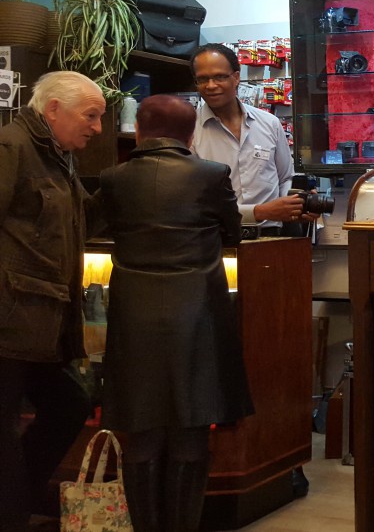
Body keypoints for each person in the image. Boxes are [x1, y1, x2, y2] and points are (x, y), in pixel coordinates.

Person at [95, 95, 253, 532]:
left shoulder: (112, 179)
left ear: (140, 131)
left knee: (142, 435)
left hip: (134, 320)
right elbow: (232, 230)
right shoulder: (211, 175)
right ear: (190, 135)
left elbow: (96, 227)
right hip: (198, 316)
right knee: (191, 431)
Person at [0, 71, 105, 531]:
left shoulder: (57, 157)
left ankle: (16, 502)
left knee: (68, 406)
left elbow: (86, 216)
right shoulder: (12, 148)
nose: (98, 127)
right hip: (8, 321)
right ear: (53, 110)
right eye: (91, 115)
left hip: (40, 325)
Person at [189, 42, 311, 234]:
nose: (211, 86)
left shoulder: (269, 123)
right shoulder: (190, 131)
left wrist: (296, 205)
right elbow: (194, 200)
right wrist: (259, 212)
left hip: (271, 238)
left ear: (236, 77)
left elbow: (285, 178)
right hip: (217, 239)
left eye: (220, 77)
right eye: (202, 79)